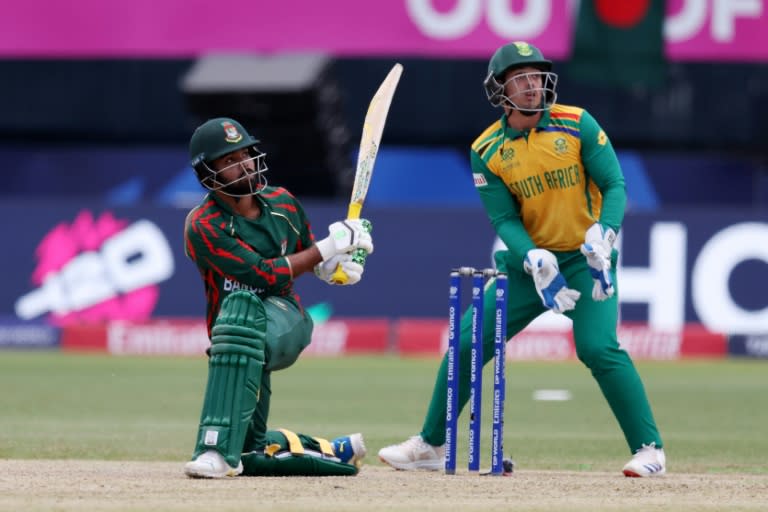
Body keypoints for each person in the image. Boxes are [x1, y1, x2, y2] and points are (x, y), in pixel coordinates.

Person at [378, 41, 666, 477]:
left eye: (536, 77)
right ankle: (431, 445)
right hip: (527, 268)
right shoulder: (487, 149)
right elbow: (503, 217)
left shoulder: (578, 123)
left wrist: (605, 233)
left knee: (597, 348)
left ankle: (650, 450)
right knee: (467, 342)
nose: (532, 86)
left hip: (587, 259)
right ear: (500, 89)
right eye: (521, 78)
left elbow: (615, 185)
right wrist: (530, 254)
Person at [182, 117, 373, 478]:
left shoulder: (283, 203)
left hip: (286, 318)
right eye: (229, 161)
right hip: (234, 339)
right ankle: (334, 450)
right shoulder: (203, 225)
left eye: (246, 155)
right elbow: (262, 273)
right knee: (249, 450)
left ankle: (213, 450)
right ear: (208, 172)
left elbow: (308, 259)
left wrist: (338, 265)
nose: (245, 165)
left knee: (240, 314)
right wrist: (328, 247)